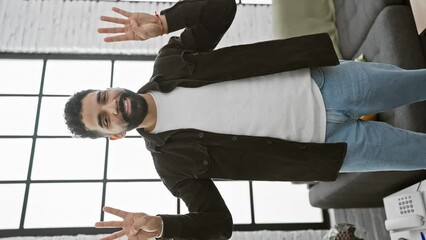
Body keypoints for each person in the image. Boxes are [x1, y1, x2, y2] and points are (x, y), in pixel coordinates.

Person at [63, 0, 426, 239]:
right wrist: (161, 226)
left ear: (108, 88)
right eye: (105, 120)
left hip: (327, 83)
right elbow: (218, 225)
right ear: (115, 136)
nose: (112, 108)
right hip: (332, 147)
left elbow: (221, 7)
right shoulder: (172, 166)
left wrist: (165, 21)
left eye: (103, 98)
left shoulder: (171, 61)